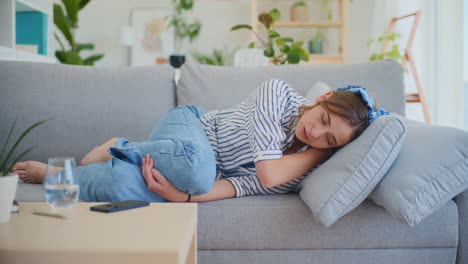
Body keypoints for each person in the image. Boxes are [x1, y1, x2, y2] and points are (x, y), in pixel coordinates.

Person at [11, 79, 389, 203]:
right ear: (322, 99)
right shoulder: (277, 94)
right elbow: (267, 173)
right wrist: (314, 157)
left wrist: (184, 198)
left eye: (330, 140)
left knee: (131, 186)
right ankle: (122, 145)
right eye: (323, 121)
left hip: (193, 174)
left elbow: (241, 185)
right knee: (197, 167)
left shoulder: (300, 172)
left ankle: (59, 177)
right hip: (190, 129)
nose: (317, 134)